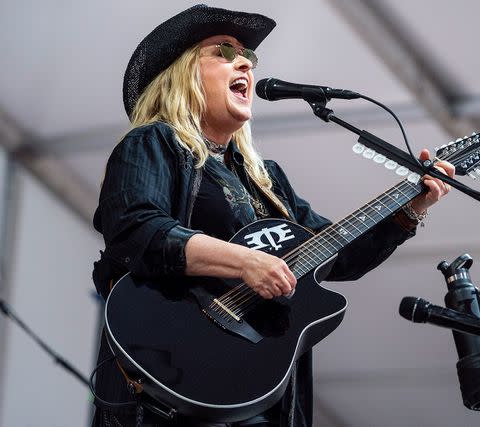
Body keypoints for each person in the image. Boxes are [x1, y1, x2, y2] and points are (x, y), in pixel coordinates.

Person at [91, 4, 454, 427]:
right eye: (224, 52)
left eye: (249, 57)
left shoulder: (267, 180)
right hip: (170, 380)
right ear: (183, 73)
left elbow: (340, 252)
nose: (246, 61)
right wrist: (245, 262)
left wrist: (410, 209)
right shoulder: (155, 143)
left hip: (257, 393)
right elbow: (136, 229)